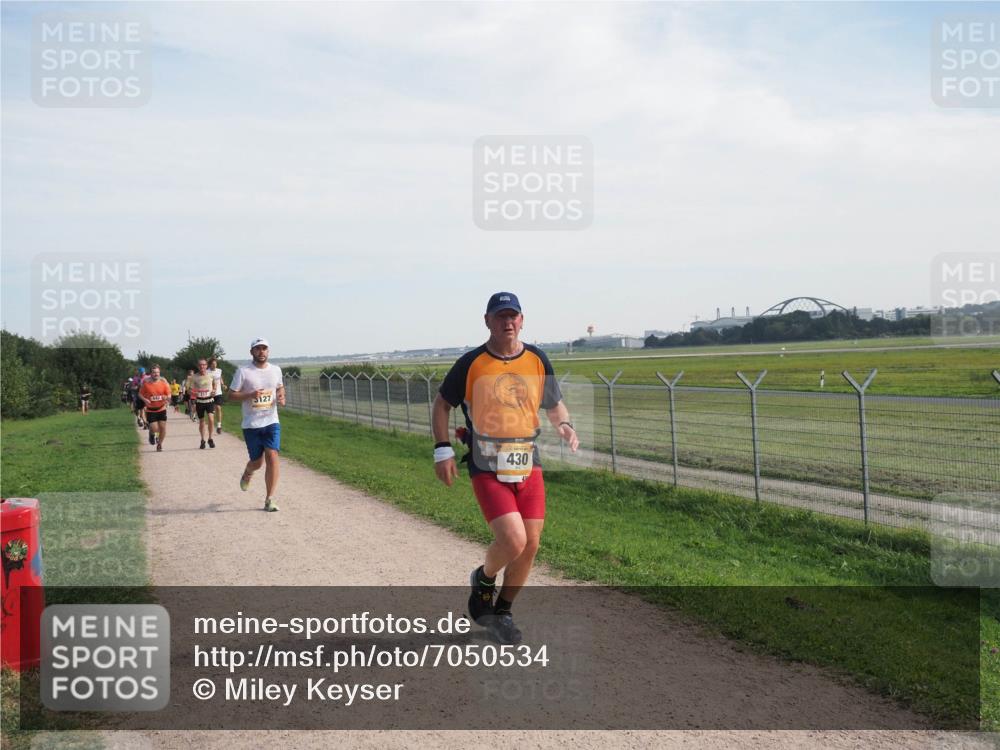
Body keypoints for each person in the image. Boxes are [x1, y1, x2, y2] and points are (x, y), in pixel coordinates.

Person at [433, 292, 578, 645]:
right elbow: (441, 405)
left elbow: (554, 404)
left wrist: (565, 426)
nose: (507, 322)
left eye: (513, 316)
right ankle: (484, 579)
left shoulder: (537, 359)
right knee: (513, 540)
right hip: (486, 464)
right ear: (487, 321)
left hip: (529, 462)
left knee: (531, 545)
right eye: (500, 317)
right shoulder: (471, 363)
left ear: (522, 320)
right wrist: (442, 450)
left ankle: (502, 613)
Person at [229, 338, 285, 512]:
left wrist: (281, 396)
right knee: (257, 462)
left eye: (264, 348)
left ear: (268, 351)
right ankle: (248, 472)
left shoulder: (276, 370)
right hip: (251, 424)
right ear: (251, 352)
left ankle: (269, 499)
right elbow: (231, 395)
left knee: (272, 455)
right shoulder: (244, 371)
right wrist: (250, 395)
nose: (261, 352)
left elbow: (280, 387)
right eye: (258, 349)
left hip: (271, 421)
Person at [139, 364, 171, 451]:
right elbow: (140, 394)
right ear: (151, 373)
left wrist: (167, 398)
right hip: (150, 410)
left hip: (161, 408)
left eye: (157, 372)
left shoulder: (163, 383)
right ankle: (151, 433)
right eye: (154, 372)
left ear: (159, 373)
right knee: (155, 428)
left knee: (163, 429)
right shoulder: (146, 383)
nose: (156, 374)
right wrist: (145, 400)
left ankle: (159, 444)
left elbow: (169, 394)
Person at [190, 359, 217, 449]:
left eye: (204, 365)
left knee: (211, 419)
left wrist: (214, 391)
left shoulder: (211, 375)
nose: (202, 367)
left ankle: (210, 438)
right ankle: (202, 440)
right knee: (201, 422)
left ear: (206, 366)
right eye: (200, 365)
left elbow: (215, 384)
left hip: (209, 401)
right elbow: (190, 390)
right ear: (198, 366)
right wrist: (194, 393)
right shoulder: (194, 377)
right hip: (200, 402)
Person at [208, 357, 225, 435]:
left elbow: (220, 378)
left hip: (218, 392)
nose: (214, 365)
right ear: (210, 364)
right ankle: (211, 425)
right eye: (213, 364)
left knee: (218, 408)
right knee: (211, 411)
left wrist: (223, 384)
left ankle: (219, 426)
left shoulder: (219, 370)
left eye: (215, 364)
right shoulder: (207, 372)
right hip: (209, 393)